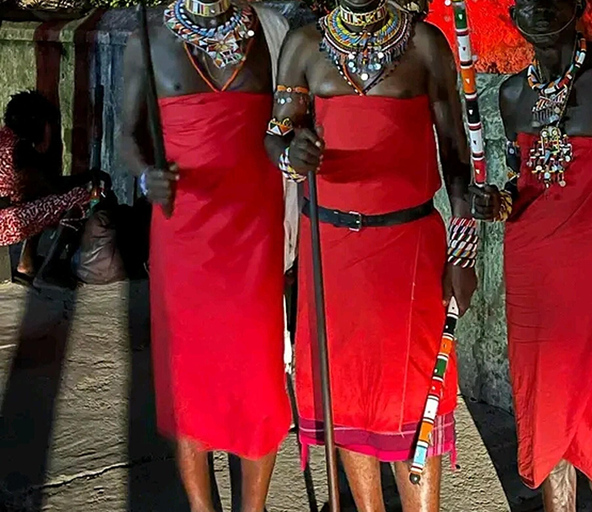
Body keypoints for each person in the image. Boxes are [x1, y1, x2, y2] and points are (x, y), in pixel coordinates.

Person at [263, 1, 477, 510]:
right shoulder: (304, 44)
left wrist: (464, 253)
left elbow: (456, 152)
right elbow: (276, 135)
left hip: (408, 251)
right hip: (331, 253)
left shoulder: (425, 44)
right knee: (349, 397)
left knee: (413, 397)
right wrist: (292, 154)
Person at [471, 0, 592, 510]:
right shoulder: (513, 94)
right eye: (525, 2)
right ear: (512, 14)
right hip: (534, 276)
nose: (537, 10)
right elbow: (520, 181)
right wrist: (497, 200)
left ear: (577, 6)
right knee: (546, 415)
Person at [120, 0, 297, 510]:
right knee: (188, 372)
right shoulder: (147, 37)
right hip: (184, 229)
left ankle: (254, 507)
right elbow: (126, 137)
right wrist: (143, 174)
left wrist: (298, 147)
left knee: (259, 371)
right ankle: (201, 507)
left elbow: (290, 123)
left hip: (255, 229)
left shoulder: (272, 33)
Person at [0, 90, 94, 280]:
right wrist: (90, 178)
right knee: (77, 196)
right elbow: (55, 185)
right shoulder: (21, 149)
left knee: (39, 197)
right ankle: (48, 269)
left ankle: (27, 262)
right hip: (3, 222)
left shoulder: (5, 138)